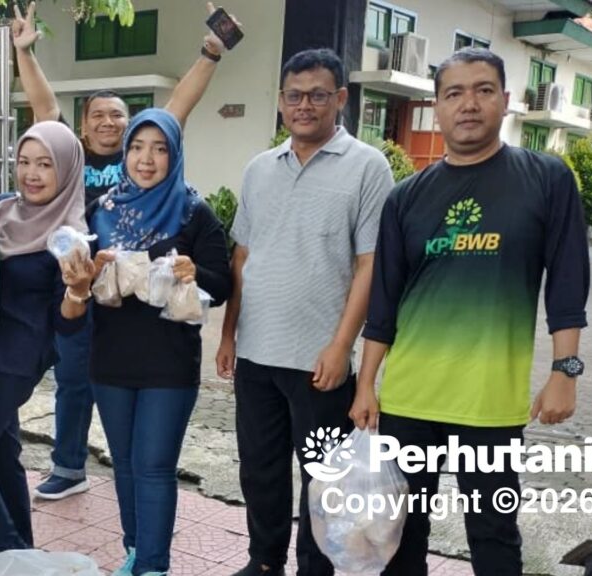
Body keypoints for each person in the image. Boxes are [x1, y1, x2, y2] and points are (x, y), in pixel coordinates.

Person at [350, 47, 590, 576]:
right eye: (454, 93)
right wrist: (366, 385)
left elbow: (567, 282)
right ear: (436, 106)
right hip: (409, 399)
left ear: (505, 99)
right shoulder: (406, 197)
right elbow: (384, 300)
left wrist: (565, 371)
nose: (469, 104)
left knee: (493, 533)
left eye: (483, 90)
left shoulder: (546, 179)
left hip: (490, 402)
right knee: (400, 533)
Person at [12, 0, 239, 501]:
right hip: (86, 284)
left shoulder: (144, 159)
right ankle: (69, 465)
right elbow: (45, 112)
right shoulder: (73, 161)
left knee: (127, 404)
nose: (109, 122)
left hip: (142, 302)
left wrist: (211, 51)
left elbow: (178, 107)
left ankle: (137, 487)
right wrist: (24, 53)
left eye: (118, 115)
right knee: (73, 380)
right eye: (98, 115)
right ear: (84, 125)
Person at [215, 48, 395, 576]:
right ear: (280, 101)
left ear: (340, 98)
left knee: (324, 478)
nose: (304, 106)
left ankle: (315, 568)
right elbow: (242, 256)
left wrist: (341, 347)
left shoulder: (368, 166)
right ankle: (264, 562)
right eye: (294, 96)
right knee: (260, 469)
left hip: (320, 361)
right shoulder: (259, 169)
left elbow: (370, 264)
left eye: (318, 95)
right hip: (256, 355)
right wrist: (228, 335)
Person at [85, 108, 232, 576]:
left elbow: (222, 284)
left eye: (159, 148)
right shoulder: (102, 210)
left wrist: (194, 270)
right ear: (125, 152)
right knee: (124, 465)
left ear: (175, 154)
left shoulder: (193, 212)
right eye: (136, 147)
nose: (146, 159)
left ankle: (153, 565)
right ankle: (135, 550)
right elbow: (79, 285)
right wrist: (86, 271)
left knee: (153, 466)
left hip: (169, 363)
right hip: (110, 360)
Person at [0, 121, 93, 557]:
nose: (31, 174)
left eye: (45, 165)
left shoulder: (69, 236)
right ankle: (25, 555)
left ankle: (9, 558)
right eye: (24, 162)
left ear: (67, 170)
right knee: (1, 454)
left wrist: (77, 291)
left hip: (15, 359)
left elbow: (66, 324)